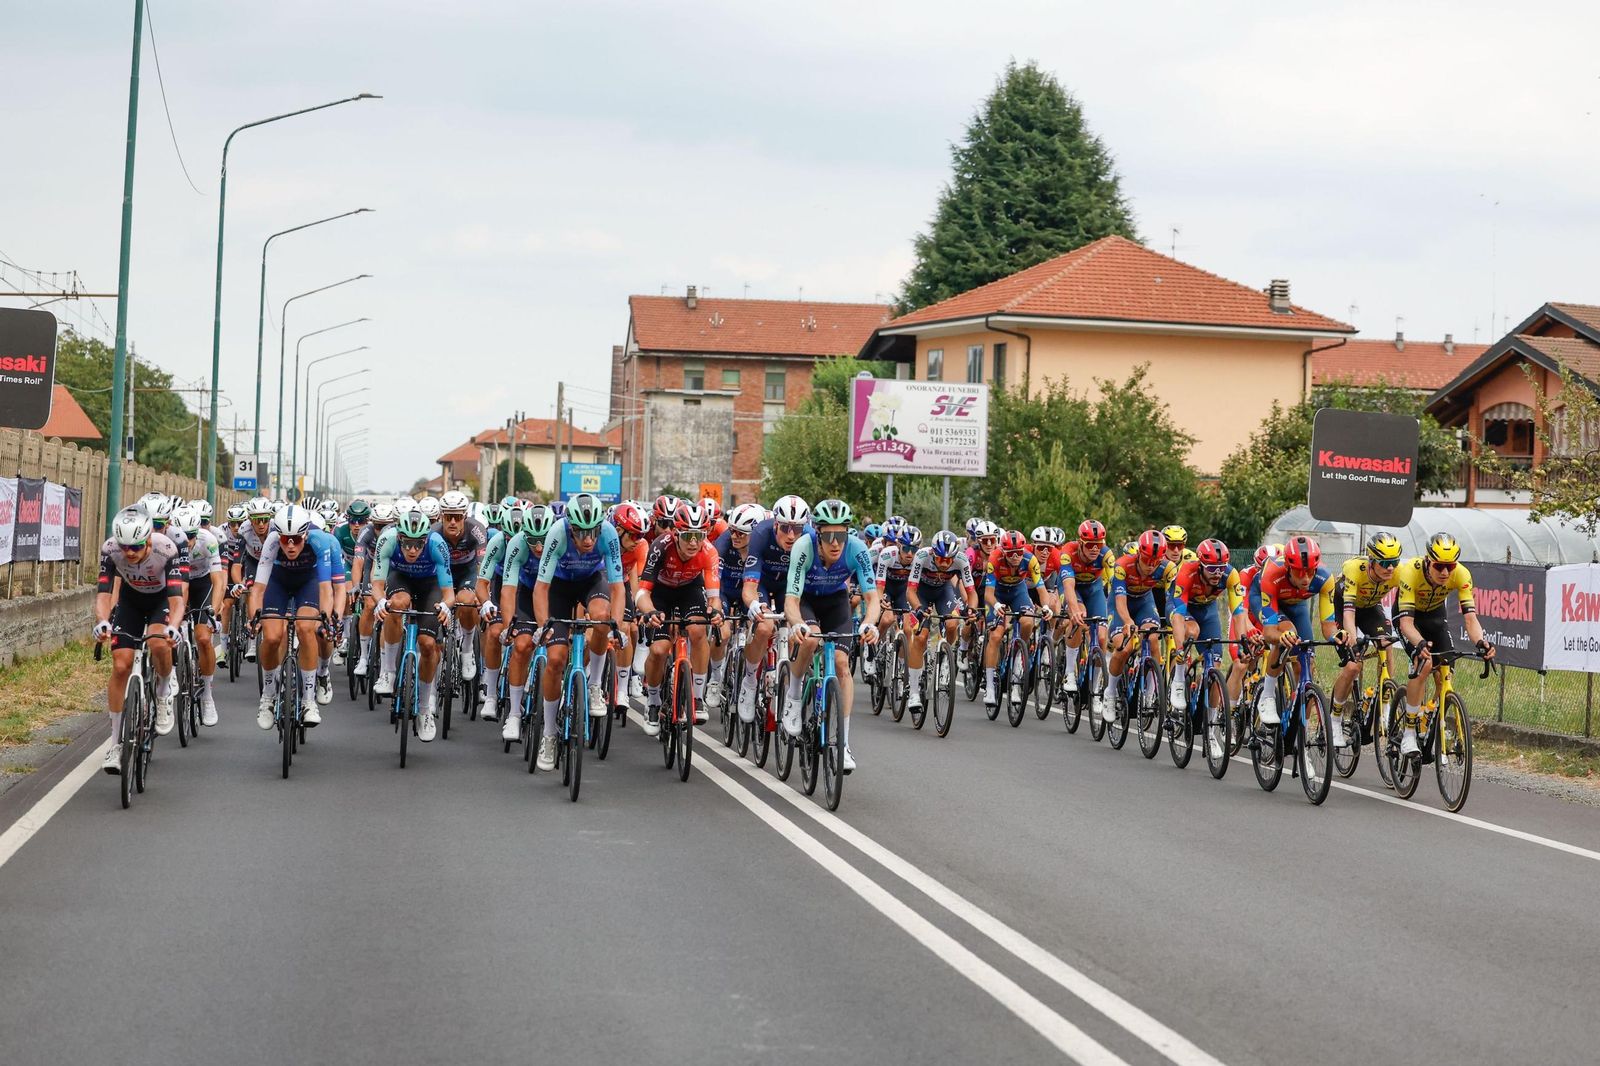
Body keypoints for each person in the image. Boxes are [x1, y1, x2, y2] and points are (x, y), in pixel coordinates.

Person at [529, 493, 624, 769]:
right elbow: (541, 588)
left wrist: (615, 627)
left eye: (592, 531)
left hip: (591, 582)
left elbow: (617, 588)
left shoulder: (608, 533)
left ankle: (594, 685)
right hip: (558, 586)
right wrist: (542, 626)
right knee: (556, 659)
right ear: (570, 527)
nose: (588, 540)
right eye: (581, 533)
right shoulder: (557, 533)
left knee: (602, 617)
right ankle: (548, 734)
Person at [783, 498, 878, 772]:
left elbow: (872, 598)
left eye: (841, 534)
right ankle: (793, 694)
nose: (836, 543)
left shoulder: (857, 548)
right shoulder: (803, 546)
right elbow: (791, 599)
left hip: (836, 600)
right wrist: (797, 623)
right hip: (807, 600)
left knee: (841, 664)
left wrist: (870, 624)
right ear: (817, 533)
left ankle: (844, 744)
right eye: (828, 536)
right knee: (811, 638)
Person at [92, 509, 185, 772]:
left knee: (158, 643)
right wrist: (102, 621)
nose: (129, 553)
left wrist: (175, 628)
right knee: (121, 665)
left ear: (148, 540)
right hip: (130, 602)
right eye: (125, 547)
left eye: (136, 547)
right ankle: (115, 744)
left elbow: (177, 599)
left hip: (160, 601)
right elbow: (103, 593)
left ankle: (164, 689)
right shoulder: (110, 550)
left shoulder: (166, 549)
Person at [1394, 532, 1491, 756]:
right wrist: (1419, 644)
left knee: (1446, 670)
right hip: (1409, 617)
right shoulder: (1410, 571)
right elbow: (1407, 623)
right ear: (1428, 561)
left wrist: (1481, 642)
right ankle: (1409, 732)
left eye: (1450, 566)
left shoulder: (1461, 574)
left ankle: (1430, 715)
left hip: (1435, 616)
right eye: (1439, 566)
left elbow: (1470, 618)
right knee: (1424, 663)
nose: (1445, 572)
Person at [248, 505, 337, 730]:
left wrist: (325, 619)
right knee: (271, 636)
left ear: (305, 534)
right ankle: (267, 697)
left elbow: (326, 589)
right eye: (285, 539)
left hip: (308, 583)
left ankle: (308, 700)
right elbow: (258, 589)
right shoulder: (270, 542)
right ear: (278, 535)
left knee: (307, 628)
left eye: (296, 539)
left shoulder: (319, 541)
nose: (290, 545)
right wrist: (254, 618)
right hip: (279, 582)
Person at [370, 509, 456, 741]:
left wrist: (446, 606)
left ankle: (425, 710)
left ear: (426, 540)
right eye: (407, 543)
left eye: (418, 544)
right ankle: (388, 672)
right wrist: (380, 602)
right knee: (396, 604)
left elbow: (449, 593)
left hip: (430, 586)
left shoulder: (437, 545)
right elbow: (376, 583)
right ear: (399, 538)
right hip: (400, 579)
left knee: (428, 645)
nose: (412, 550)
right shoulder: (387, 539)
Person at [637, 499, 723, 729]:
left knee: (697, 631)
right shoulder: (660, 545)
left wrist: (715, 612)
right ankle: (653, 701)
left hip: (689, 590)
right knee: (659, 649)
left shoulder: (709, 552)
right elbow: (642, 593)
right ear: (675, 534)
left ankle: (696, 696)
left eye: (700, 536)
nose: (694, 542)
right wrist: (650, 611)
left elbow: (714, 597)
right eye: (687, 536)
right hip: (661, 593)